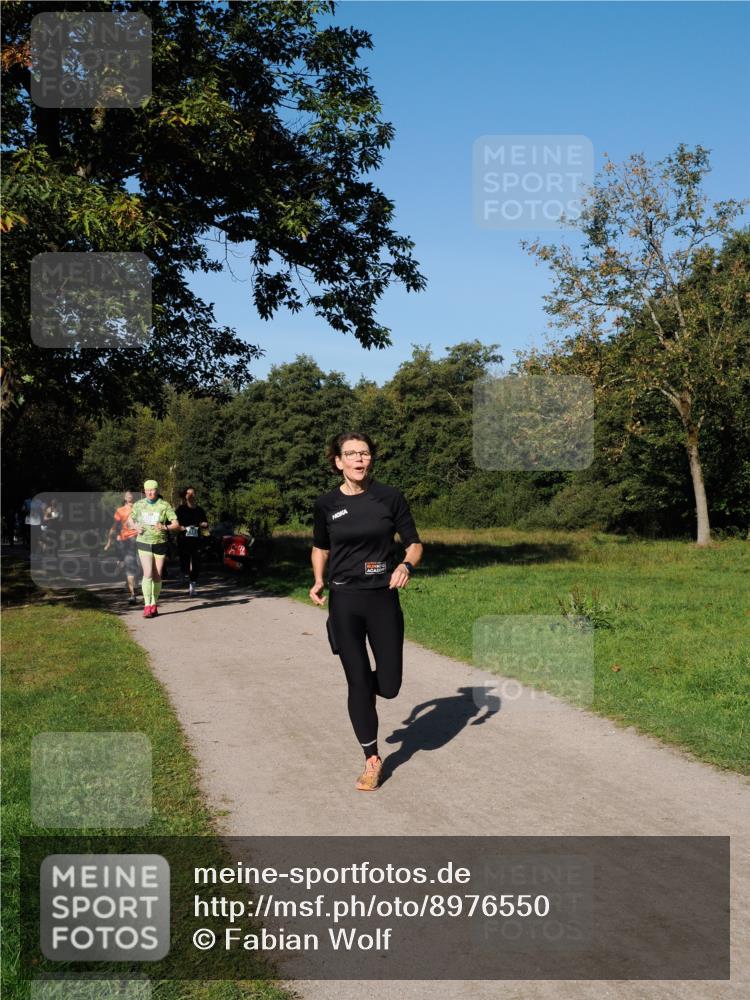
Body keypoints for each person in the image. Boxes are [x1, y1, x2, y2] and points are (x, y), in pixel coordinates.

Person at [310, 432, 423, 792]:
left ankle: (362, 695)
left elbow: (415, 544)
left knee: (388, 686)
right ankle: (372, 759)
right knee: (358, 680)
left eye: (365, 453)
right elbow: (320, 547)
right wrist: (317, 580)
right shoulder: (325, 504)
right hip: (344, 600)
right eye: (351, 454)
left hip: (383, 598)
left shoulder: (389, 497)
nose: (359, 459)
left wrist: (405, 565)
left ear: (371, 459)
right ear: (338, 462)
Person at [127, 479, 180, 619]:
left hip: (160, 542)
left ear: (157, 490)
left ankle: (154, 603)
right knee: (148, 573)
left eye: (153, 490)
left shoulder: (164, 505)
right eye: (148, 490)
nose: (150, 492)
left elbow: (176, 524)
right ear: (144, 491)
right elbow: (129, 520)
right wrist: (136, 527)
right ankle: (147, 605)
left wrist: (165, 527)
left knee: (157, 575)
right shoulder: (139, 505)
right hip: (143, 542)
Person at [104, 489, 139, 605]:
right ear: (124, 498)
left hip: (139, 537)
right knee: (128, 562)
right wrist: (109, 541)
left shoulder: (138, 508)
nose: (129, 496)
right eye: (127, 495)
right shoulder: (120, 510)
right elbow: (114, 526)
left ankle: (132, 586)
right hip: (126, 539)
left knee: (133, 563)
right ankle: (132, 591)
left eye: (131, 494)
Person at [176, 486, 209, 597]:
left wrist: (204, 524)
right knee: (185, 562)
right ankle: (183, 573)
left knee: (196, 563)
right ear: (185, 496)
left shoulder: (200, 510)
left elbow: (205, 523)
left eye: (192, 493)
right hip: (184, 539)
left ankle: (192, 585)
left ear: (194, 495)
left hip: (196, 539)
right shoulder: (180, 509)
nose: (190, 495)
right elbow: (174, 524)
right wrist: (181, 528)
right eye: (188, 494)